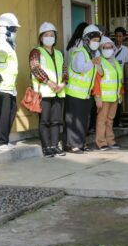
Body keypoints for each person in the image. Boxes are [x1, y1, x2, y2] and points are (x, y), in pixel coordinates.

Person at [30, 22, 67, 158]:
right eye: (46, 35)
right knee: (45, 121)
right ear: (41, 38)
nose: (49, 37)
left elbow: (64, 69)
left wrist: (63, 83)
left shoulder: (59, 53)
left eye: (52, 35)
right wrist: (48, 82)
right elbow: (35, 68)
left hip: (58, 92)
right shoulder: (36, 52)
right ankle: (47, 147)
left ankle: (55, 145)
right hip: (44, 92)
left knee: (56, 121)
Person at [65, 24, 101, 153]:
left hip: (85, 93)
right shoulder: (80, 52)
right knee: (74, 120)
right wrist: (92, 63)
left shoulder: (94, 53)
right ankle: (72, 144)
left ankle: (80, 143)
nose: (96, 43)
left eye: (98, 41)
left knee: (83, 120)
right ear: (86, 39)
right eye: (94, 40)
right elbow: (79, 68)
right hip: (75, 93)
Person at [0, 13, 20, 152]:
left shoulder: (9, 43)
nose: (15, 33)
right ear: (5, 29)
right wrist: (3, 35)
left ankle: (3, 140)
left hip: (9, 86)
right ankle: (0, 142)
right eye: (13, 29)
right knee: (2, 114)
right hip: (0, 86)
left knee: (11, 111)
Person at [93, 36, 123, 150]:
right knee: (102, 120)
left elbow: (119, 80)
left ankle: (110, 140)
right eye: (105, 47)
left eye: (110, 47)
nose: (108, 49)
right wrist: (98, 97)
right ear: (101, 49)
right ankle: (101, 142)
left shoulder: (115, 62)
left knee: (110, 120)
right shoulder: (99, 62)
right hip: (103, 97)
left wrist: (120, 93)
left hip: (114, 97)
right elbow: (96, 80)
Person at [112, 26, 128, 128]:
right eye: (116, 36)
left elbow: (126, 65)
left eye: (120, 36)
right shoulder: (109, 47)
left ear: (123, 37)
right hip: (110, 80)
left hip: (120, 80)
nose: (118, 38)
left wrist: (126, 80)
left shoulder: (125, 50)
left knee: (119, 101)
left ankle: (117, 121)